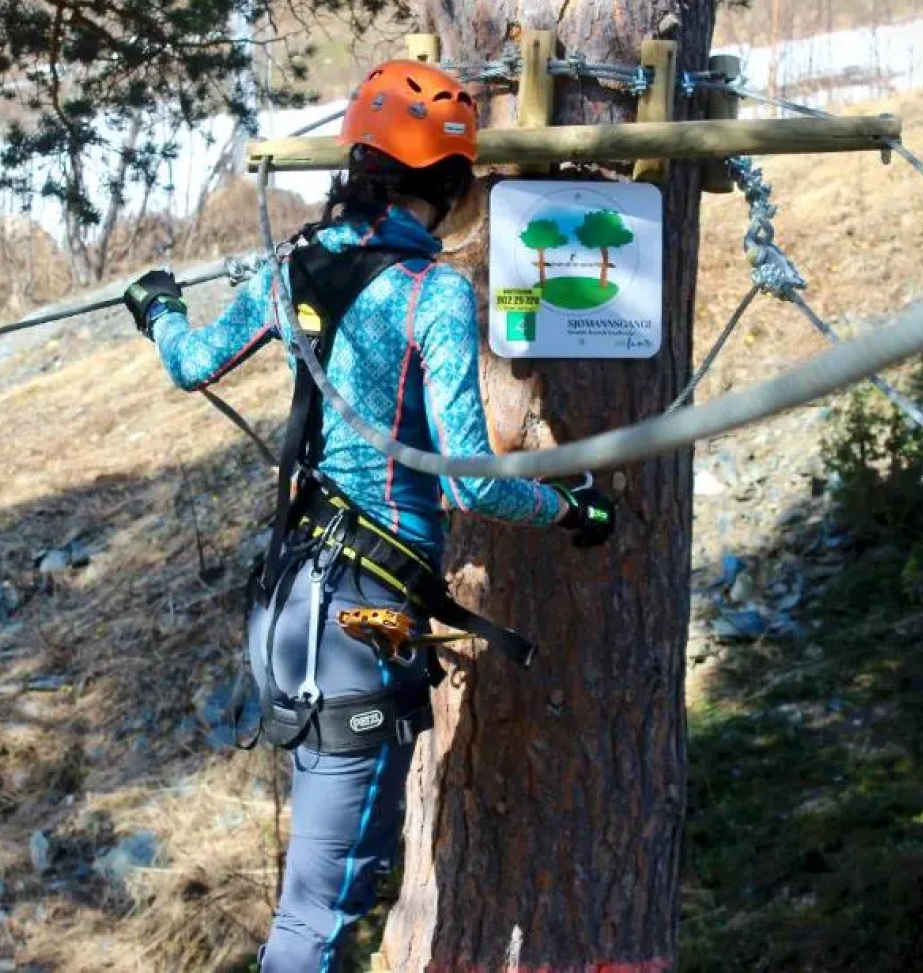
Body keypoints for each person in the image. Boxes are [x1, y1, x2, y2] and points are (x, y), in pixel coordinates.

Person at [123, 58, 615, 972]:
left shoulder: (290, 266)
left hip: (288, 611)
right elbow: (470, 483)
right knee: (322, 910)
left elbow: (192, 362)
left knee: (318, 897)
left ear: (359, 162)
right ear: (452, 185)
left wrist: (158, 311)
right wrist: (570, 506)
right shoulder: (430, 293)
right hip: (357, 624)